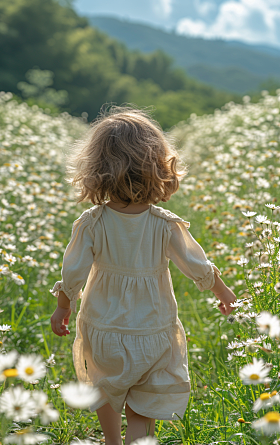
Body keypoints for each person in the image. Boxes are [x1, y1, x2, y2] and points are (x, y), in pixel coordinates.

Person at [50, 106, 237, 445]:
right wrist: (221, 290)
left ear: (96, 169)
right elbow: (196, 263)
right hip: (153, 328)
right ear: (159, 165)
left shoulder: (92, 223)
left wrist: (63, 307)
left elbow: (73, 272)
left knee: (105, 386)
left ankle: (111, 440)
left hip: (104, 327)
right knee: (146, 396)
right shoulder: (165, 223)